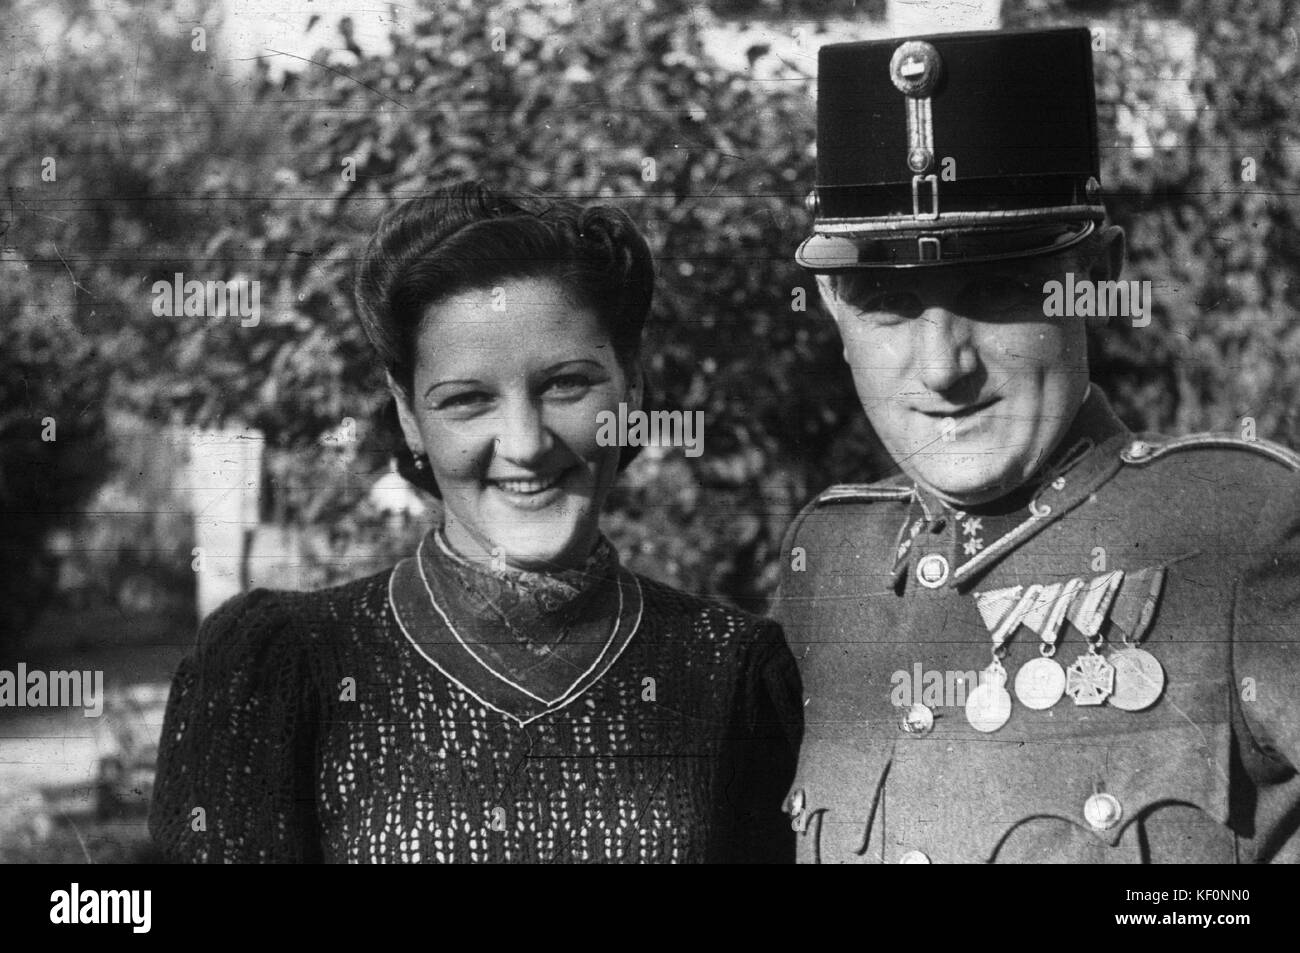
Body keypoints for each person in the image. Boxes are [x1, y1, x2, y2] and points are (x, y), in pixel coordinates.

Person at [149, 182, 801, 863]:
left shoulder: (735, 673)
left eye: (566, 384)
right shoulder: (282, 669)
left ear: (632, 387)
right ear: (409, 417)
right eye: (467, 399)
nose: (524, 442)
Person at [775, 26, 1300, 863]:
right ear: (835, 312)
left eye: (995, 289)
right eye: (886, 301)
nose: (943, 368)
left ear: (1096, 278)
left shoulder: (1240, 526)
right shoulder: (827, 565)